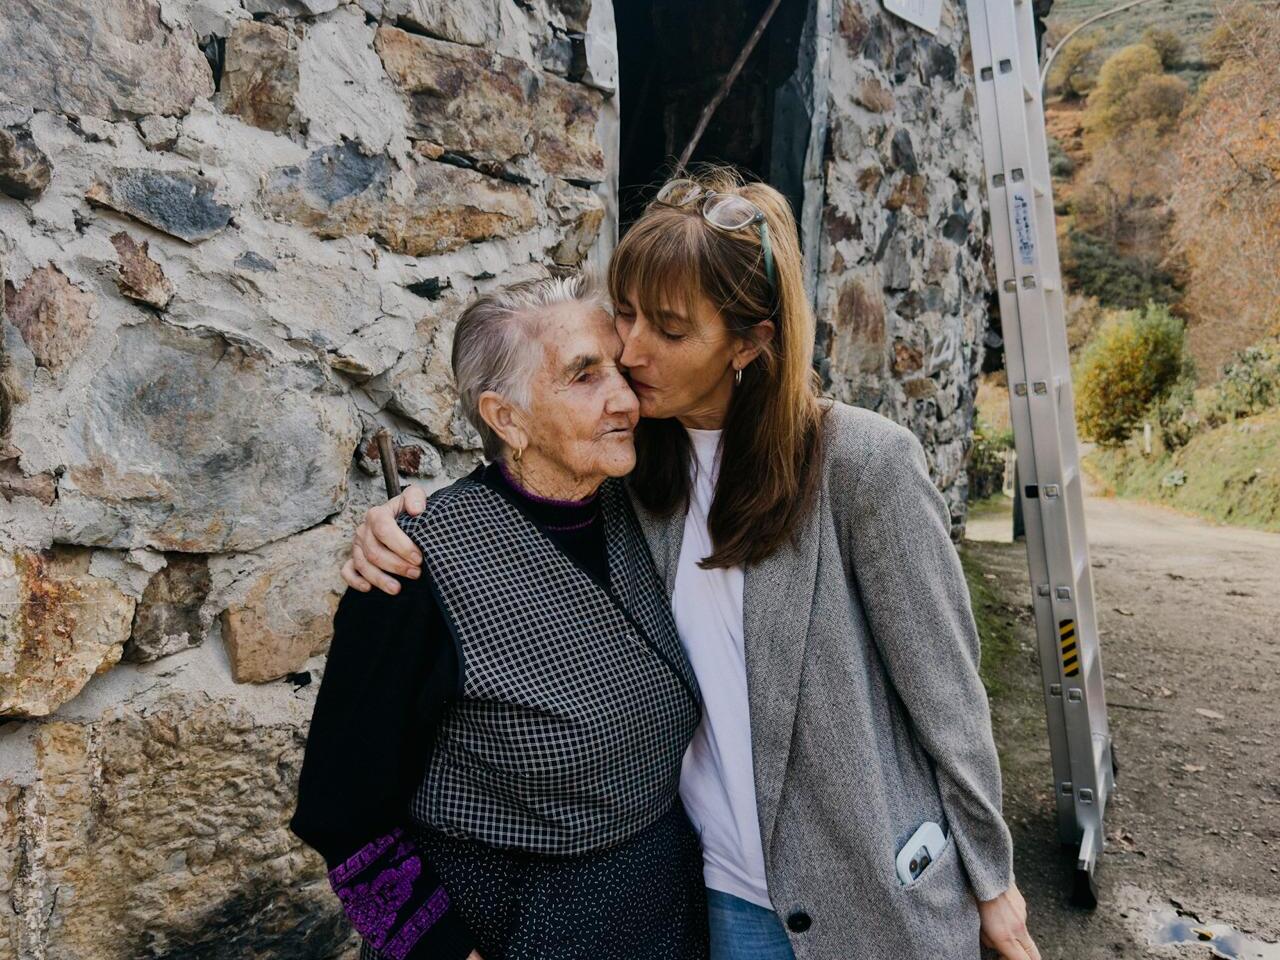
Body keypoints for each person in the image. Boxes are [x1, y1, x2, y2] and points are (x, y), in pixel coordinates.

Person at [344, 167, 1041, 960]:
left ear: (750, 342)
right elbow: (531, 480)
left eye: (670, 332)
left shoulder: (862, 467)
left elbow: (948, 698)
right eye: (627, 315)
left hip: (868, 896)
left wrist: (994, 883)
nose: (632, 351)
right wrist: (411, 520)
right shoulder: (634, 474)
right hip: (713, 900)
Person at [290, 276, 708, 960]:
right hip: (511, 929)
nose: (625, 399)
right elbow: (341, 815)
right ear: (506, 418)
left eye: (619, 368)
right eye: (583, 375)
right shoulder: (415, 573)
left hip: (661, 915)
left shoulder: (637, 503)